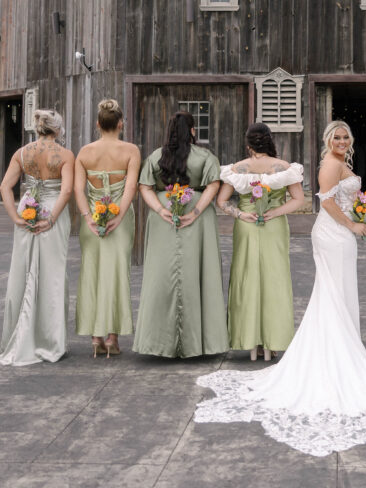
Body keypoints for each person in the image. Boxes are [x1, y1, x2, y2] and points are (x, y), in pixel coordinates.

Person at [194, 120, 366, 457]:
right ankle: (335, 357)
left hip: (343, 233)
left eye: (345, 136)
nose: (341, 140)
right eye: (336, 136)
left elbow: (342, 198)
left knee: (339, 293)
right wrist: (352, 222)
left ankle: (345, 348)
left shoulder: (344, 164)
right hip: (333, 232)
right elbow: (327, 202)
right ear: (327, 140)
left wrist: (360, 211)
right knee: (332, 293)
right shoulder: (329, 165)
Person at [133, 111, 228, 358]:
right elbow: (213, 185)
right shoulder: (205, 156)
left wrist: (160, 209)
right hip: (197, 218)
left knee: (161, 275)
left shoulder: (156, 155)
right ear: (192, 131)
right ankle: (199, 343)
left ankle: (158, 342)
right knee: (198, 273)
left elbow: (145, 186)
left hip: (163, 218)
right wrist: (196, 211)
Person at [217, 122, 305, 360]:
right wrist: (275, 212)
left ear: (248, 145)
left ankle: (250, 341)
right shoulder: (284, 167)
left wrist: (241, 214)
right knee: (274, 279)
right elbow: (298, 200)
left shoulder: (237, 169)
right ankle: (272, 341)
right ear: (270, 141)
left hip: (246, 226)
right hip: (274, 225)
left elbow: (222, 202)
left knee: (246, 278)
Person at [0, 109, 74, 365]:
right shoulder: (65, 155)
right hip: (53, 210)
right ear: (57, 129)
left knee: (21, 272)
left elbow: (5, 187)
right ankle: (50, 342)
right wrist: (52, 218)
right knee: (53, 275)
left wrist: (16, 218)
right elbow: (66, 191)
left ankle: (18, 338)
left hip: (28, 208)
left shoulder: (22, 153)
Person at [74, 99, 141, 358]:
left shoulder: (85, 152)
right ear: (120, 124)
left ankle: (95, 337)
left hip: (90, 219)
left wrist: (88, 216)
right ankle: (113, 338)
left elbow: (79, 190)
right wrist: (119, 216)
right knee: (117, 274)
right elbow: (131, 188)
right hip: (120, 221)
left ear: (98, 124)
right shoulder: (131, 150)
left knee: (91, 273)